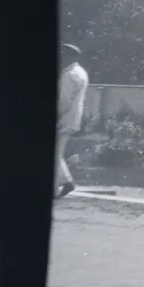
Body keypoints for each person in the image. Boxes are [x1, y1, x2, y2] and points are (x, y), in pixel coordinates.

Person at [56, 43, 89, 199]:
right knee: (57, 152)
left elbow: (64, 100)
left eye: (63, 55)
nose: (61, 57)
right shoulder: (81, 72)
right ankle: (60, 184)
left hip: (64, 118)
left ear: (70, 56)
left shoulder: (69, 75)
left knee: (56, 153)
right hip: (72, 118)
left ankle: (67, 182)